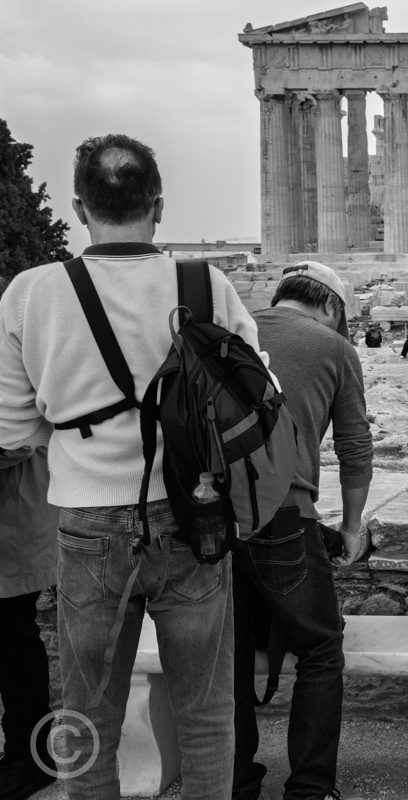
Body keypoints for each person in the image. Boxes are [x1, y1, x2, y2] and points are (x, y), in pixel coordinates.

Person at [0, 134, 255, 797]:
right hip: (194, 516)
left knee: (88, 717)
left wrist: (71, 423)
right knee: (204, 711)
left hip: (87, 525)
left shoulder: (31, 293)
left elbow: (11, 428)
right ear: (159, 205)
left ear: (80, 207)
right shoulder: (207, 285)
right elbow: (255, 399)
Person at [234, 261, 372, 800]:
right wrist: (354, 526)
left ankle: (236, 782)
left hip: (208, 517)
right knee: (319, 648)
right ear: (333, 307)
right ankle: (310, 789)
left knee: (231, 652)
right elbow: (355, 447)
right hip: (283, 514)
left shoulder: (233, 328)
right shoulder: (333, 347)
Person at [0, 282, 59, 800]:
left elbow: (17, 436)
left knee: (15, 640)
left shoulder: (15, 342)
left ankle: (29, 756)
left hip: (13, 521)